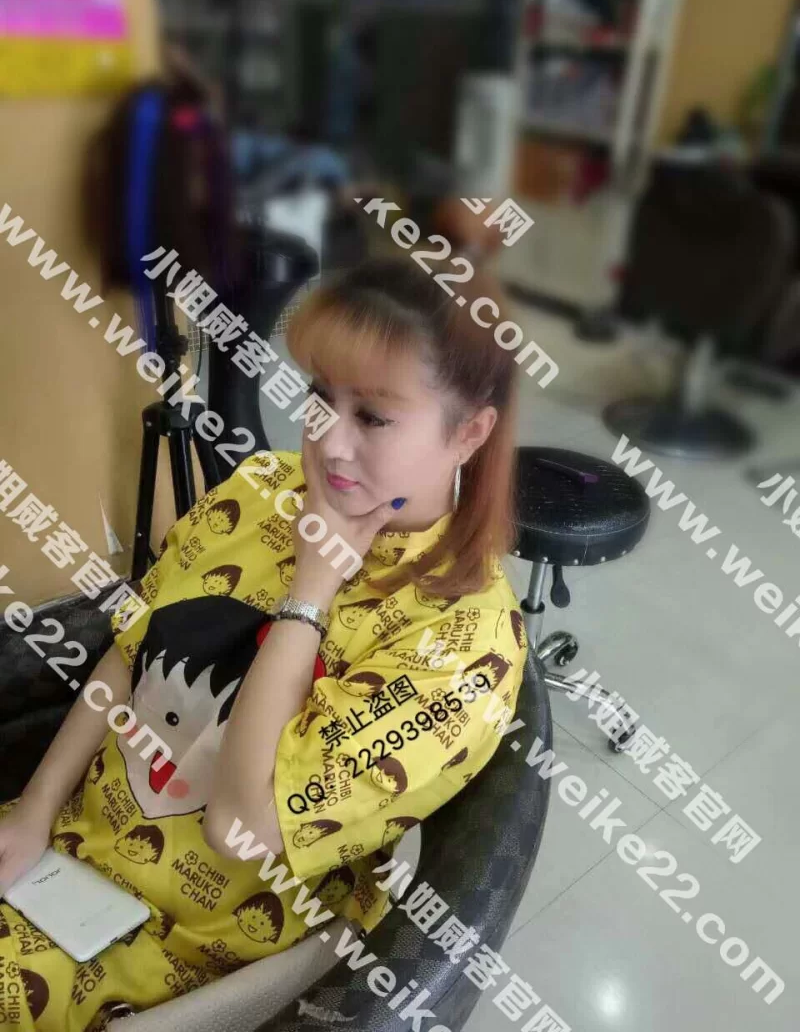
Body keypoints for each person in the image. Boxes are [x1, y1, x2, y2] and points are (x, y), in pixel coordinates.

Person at [0, 257, 528, 1030]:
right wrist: (35, 808)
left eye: (373, 417)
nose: (328, 443)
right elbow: (132, 648)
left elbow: (242, 827)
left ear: (470, 432)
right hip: (70, 847)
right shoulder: (259, 490)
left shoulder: (461, 647)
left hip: (190, 934)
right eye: (320, 397)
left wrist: (310, 593)